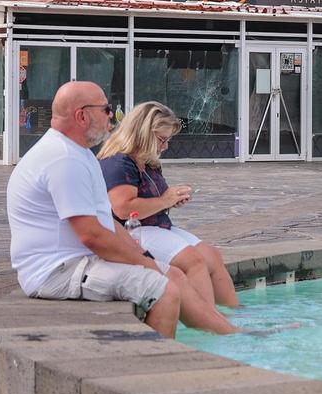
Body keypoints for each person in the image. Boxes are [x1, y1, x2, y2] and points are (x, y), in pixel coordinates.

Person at [6, 81, 239, 337]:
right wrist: (144, 263)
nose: (112, 115)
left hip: (79, 261)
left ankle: (229, 335)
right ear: (81, 116)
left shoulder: (79, 154)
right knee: (164, 290)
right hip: (58, 272)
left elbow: (107, 221)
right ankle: (155, 368)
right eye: (106, 109)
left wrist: (143, 256)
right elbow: (92, 235)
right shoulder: (64, 159)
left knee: (174, 274)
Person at [97, 102, 239, 309]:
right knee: (194, 262)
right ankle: (211, 319)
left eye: (167, 140)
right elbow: (123, 209)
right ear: (143, 133)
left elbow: (149, 200)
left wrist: (170, 200)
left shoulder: (148, 161)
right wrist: (165, 200)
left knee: (211, 254)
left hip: (154, 226)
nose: (165, 146)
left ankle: (234, 313)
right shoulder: (118, 163)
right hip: (129, 232)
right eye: (162, 139)